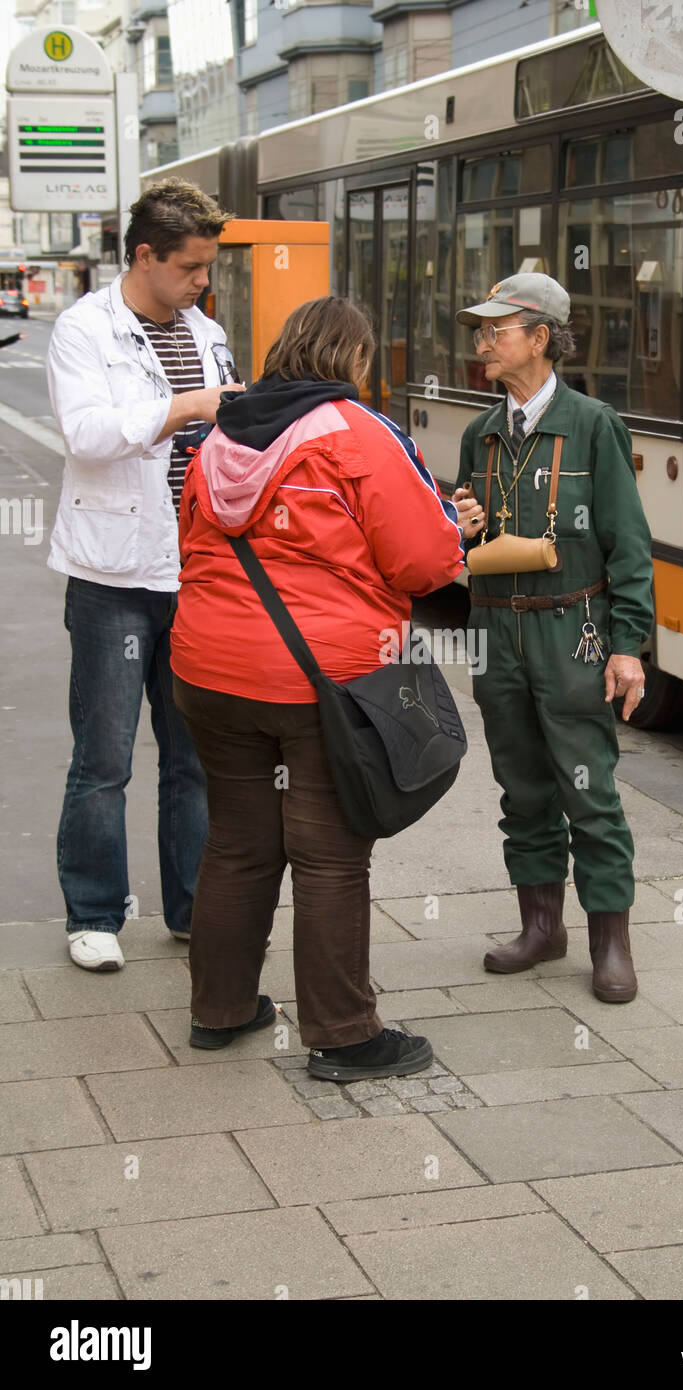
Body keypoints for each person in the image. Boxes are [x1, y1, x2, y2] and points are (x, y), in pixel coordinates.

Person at [169, 295, 465, 1075]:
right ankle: (344, 1035)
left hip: (207, 669)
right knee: (332, 857)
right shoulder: (358, 433)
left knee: (236, 844)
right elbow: (425, 562)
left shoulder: (217, 432)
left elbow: (191, 540)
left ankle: (220, 1010)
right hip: (320, 680)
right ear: (355, 359)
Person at [46, 178, 243, 972]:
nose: (203, 282)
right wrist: (186, 407)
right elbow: (89, 434)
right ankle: (93, 915)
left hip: (194, 571)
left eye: (207, 268)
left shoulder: (207, 330)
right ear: (145, 256)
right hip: (112, 577)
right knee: (104, 757)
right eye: (191, 267)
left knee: (192, 757)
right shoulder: (83, 329)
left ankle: (193, 908)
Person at [452, 273, 653, 1002]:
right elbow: (472, 539)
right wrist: (466, 525)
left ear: (539, 338)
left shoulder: (594, 424)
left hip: (574, 630)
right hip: (498, 629)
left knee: (589, 789)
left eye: (495, 331)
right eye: (481, 331)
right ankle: (541, 928)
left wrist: (627, 646)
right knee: (523, 787)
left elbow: (628, 544)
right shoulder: (481, 433)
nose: (483, 343)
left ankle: (611, 942)